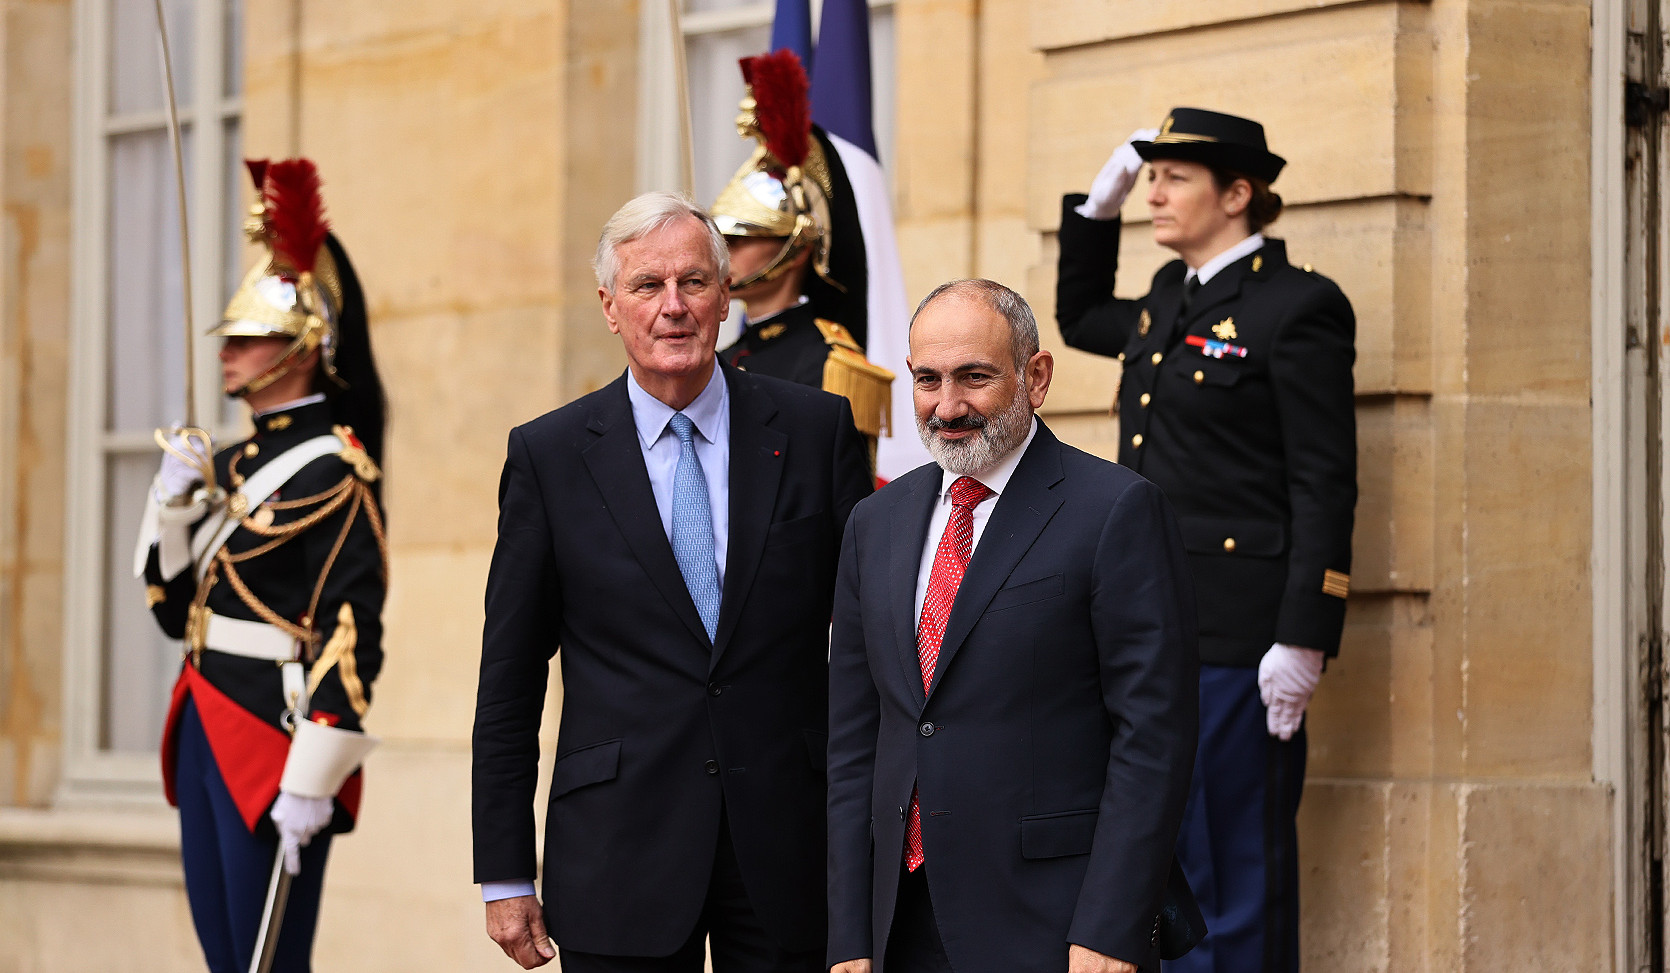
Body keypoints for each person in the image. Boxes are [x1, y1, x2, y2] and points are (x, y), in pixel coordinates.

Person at [471, 191, 873, 973]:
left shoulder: (817, 431)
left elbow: (867, 645)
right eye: (647, 286)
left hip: (793, 848)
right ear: (609, 307)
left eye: (694, 282)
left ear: (727, 299)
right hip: (618, 853)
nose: (673, 306)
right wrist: (506, 870)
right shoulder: (548, 457)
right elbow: (509, 681)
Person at [1055, 107, 1358, 973]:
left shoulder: (1298, 307)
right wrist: (1094, 210)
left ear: (1239, 193)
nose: (1153, 191)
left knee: (1235, 865)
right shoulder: (1165, 300)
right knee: (1163, 859)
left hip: (1239, 638)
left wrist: (1304, 634)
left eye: (1173, 177)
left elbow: (1323, 481)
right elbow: (1077, 317)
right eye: (1147, 176)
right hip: (1145, 628)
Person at [826, 278, 1203, 973]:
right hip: (898, 925)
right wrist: (849, 932)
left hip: (1055, 927)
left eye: (975, 377)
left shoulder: (1116, 510)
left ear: (1037, 376)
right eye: (928, 379)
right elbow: (855, 741)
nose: (949, 405)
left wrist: (1113, 927)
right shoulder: (873, 523)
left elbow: (1154, 739)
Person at [135, 158, 388, 973]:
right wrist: (173, 504)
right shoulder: (237, 460)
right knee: (223, 956)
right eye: (233, 337)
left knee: (266, 963)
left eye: (250, 339)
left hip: (271, 739)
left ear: (304, 345)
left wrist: (314, 771)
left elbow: (352, 634)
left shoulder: (335, 469)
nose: (230, 354)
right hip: (204, 715)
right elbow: (175, 608)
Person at [710, 49, 893, 453]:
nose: (723, 255)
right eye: (720, 242)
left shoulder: (830, 364)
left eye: (739, 241)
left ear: (796, 247)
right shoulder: (718, 359)